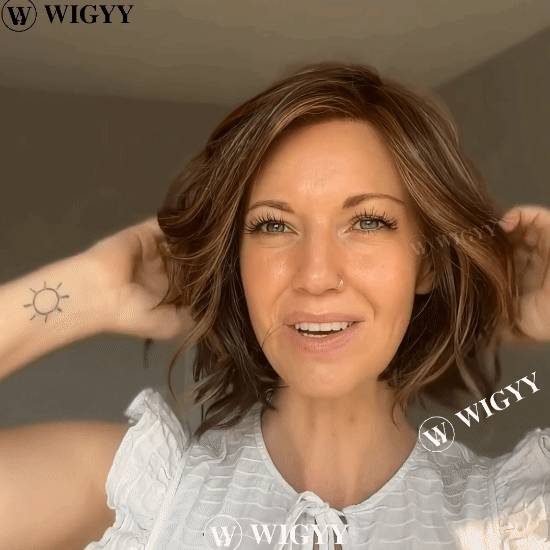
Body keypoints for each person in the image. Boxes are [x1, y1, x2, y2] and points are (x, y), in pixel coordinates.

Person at [1, 62, 549, 550]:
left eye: (367, 222)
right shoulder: (142, 497)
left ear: (426, 262)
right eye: (273, 226)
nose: (316, 275)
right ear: (237, 264)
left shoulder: (515, 519)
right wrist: (94, 289)